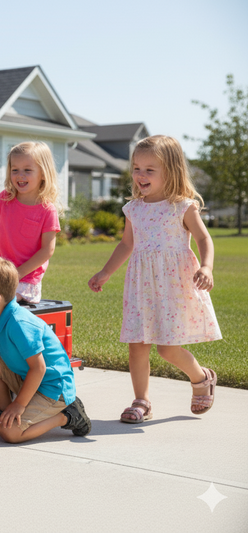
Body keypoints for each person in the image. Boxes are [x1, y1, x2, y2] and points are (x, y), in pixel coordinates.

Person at [88, 135, 221, 424]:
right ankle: (142, 401)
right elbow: (126, 244)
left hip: (173, 285)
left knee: (167, 348)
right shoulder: (133, 208)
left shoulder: (182, 207)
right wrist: (105, 272)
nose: (140, 175)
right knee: (137, 344)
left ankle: (201, 378)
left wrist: (207, 267)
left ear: (170, 171)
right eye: (137, 168)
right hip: (141, 285)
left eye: (150, 169)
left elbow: (202, 238)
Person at [0, 255, 90, 442]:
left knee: (10, 433)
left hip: (53, 389)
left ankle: (69, 415)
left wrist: (20, 404)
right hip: (30, 381)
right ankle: (5, 414)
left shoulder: (20, 324)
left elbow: (39, 368)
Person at [0, 142, 61, 304]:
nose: (20, 175)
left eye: (27, 170)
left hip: (25, 279)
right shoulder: (5, 198)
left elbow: (47, 250)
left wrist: (16, 274)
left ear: (43, 173)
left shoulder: (47, 210)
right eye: (15, 170)